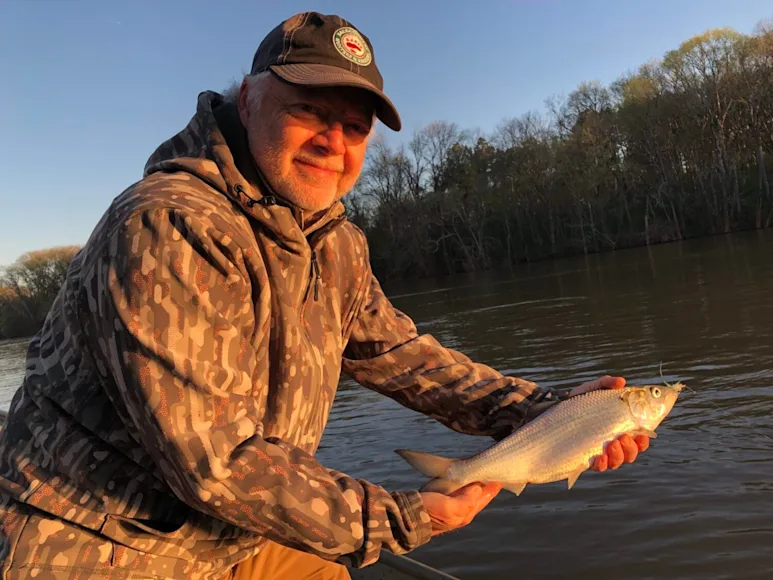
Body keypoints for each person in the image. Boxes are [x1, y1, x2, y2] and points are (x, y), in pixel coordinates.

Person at [0, 11, 649, 580]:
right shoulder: (170, 222)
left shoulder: (334, 245)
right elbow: (216, 460)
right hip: (91, 543)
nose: (332, 141)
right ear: (248, 100)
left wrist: (543, 411)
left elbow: (402, 355)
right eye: (308, 109)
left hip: (227, 536)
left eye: (354, 124)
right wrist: (398, 517)